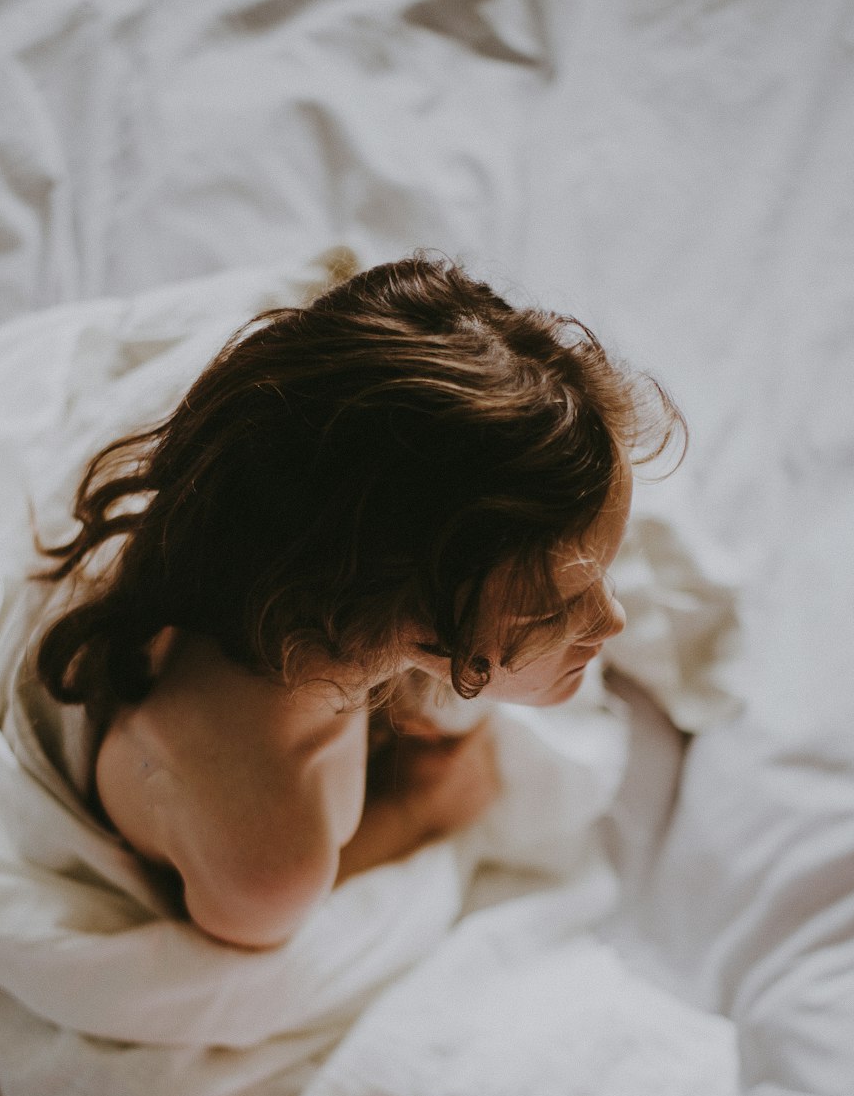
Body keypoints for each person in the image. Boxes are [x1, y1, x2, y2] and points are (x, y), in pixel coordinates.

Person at [35, 254, 683, 949]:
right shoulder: (270, 860)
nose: (612, 621)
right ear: (405, 609)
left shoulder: (272, 550)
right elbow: (234, 950)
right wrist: (424, 808)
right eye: (560, 604)